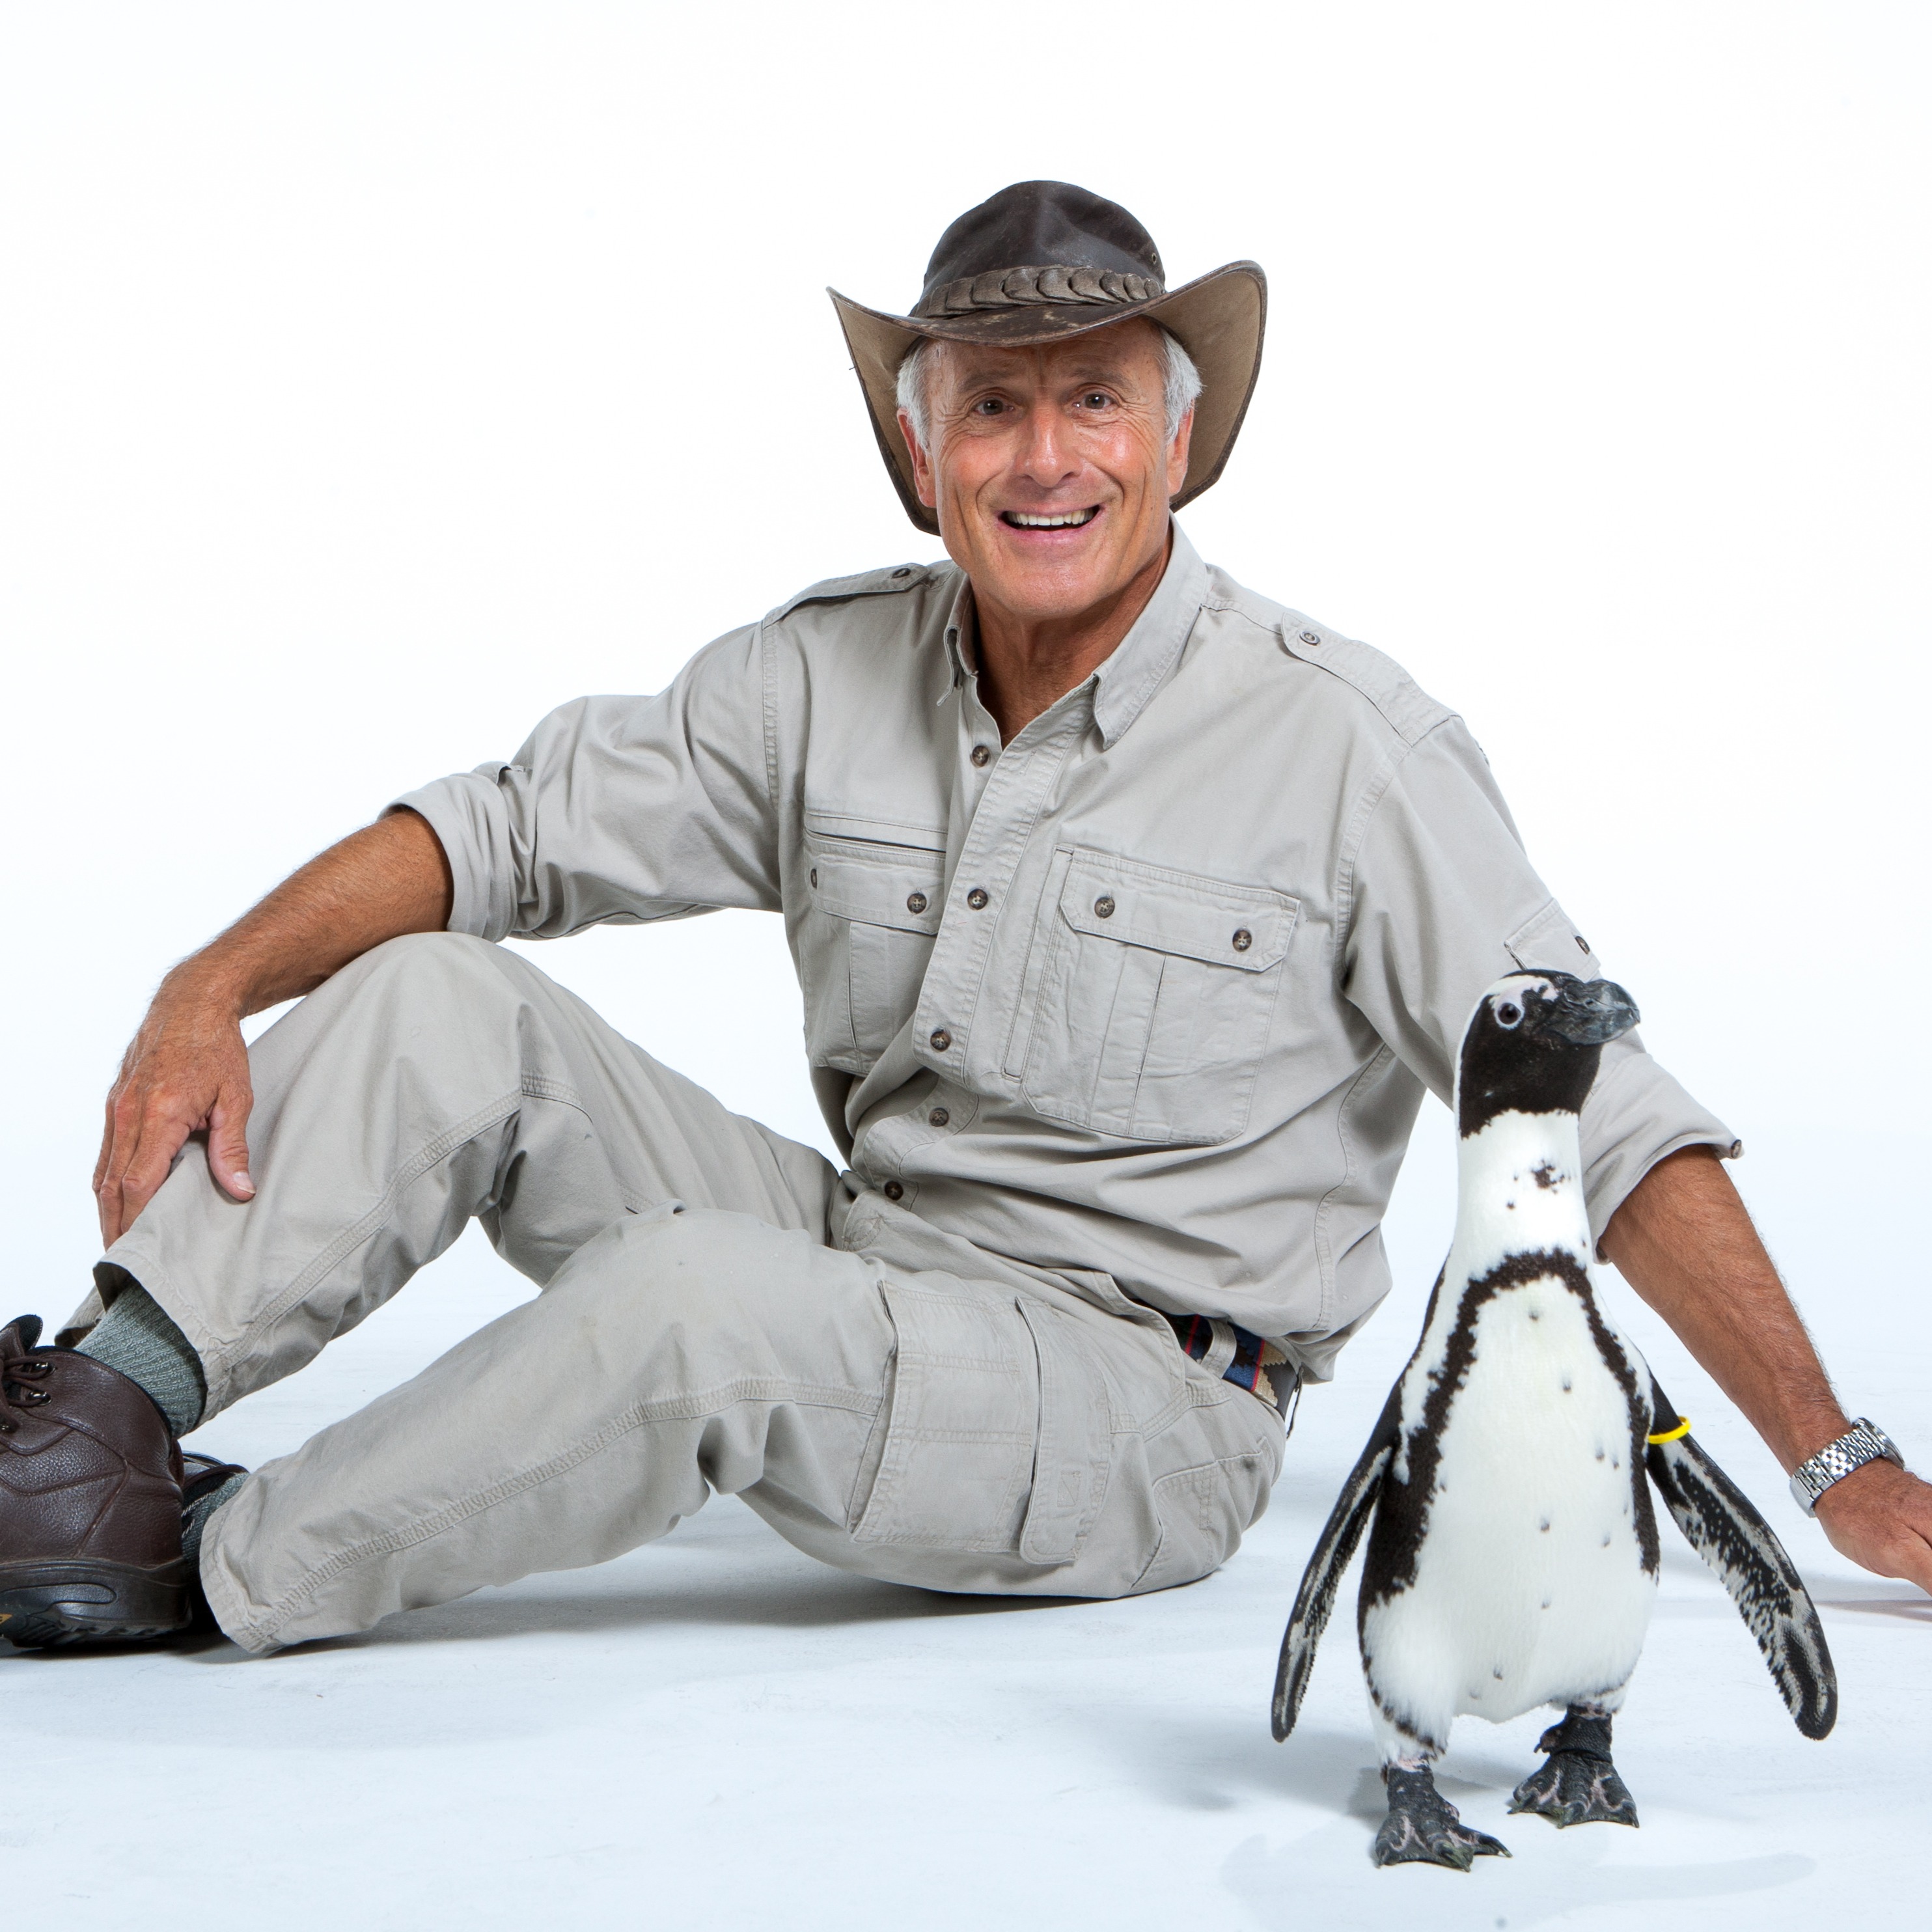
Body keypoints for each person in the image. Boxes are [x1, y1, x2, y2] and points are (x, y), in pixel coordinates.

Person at [5, 181, 1925, 1658]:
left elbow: (1594, 1115)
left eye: (1096, 399)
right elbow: (498, 834)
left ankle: (205, 1564)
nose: (1045, 456)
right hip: (872, 1261)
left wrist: (1842, 1467)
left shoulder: (1351, 749)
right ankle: (80, 1442)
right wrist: (207, 983)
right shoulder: (822, 673)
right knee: (438, 995)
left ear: (1178, 442)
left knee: (690, 1307)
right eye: (991, 407)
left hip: (1144, 1400)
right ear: (919, 456)